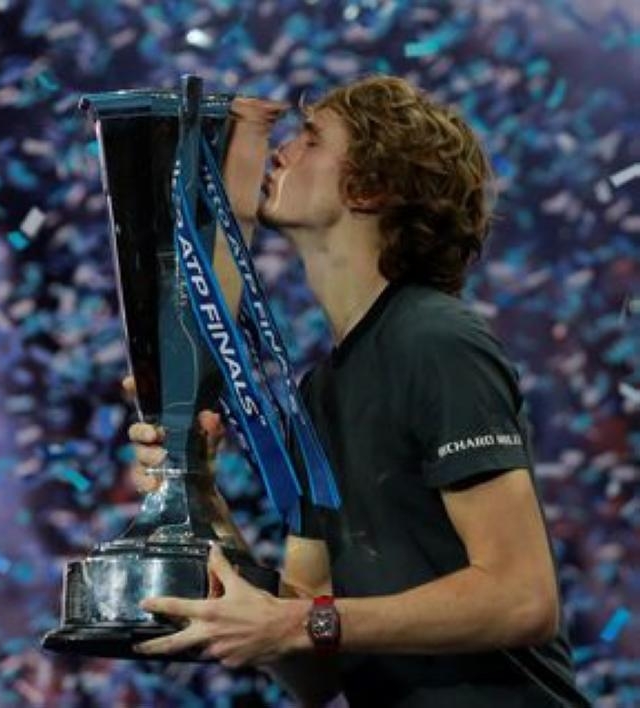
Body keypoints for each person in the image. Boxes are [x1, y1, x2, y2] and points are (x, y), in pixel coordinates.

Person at [124, 75, 589, 707]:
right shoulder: (322, 389)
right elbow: (312, 672)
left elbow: (522, 597)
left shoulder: (435, 339)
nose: (282, 151)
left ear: (369, 188)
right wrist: (202, 495)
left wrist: (297, 623)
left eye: (311, 138)